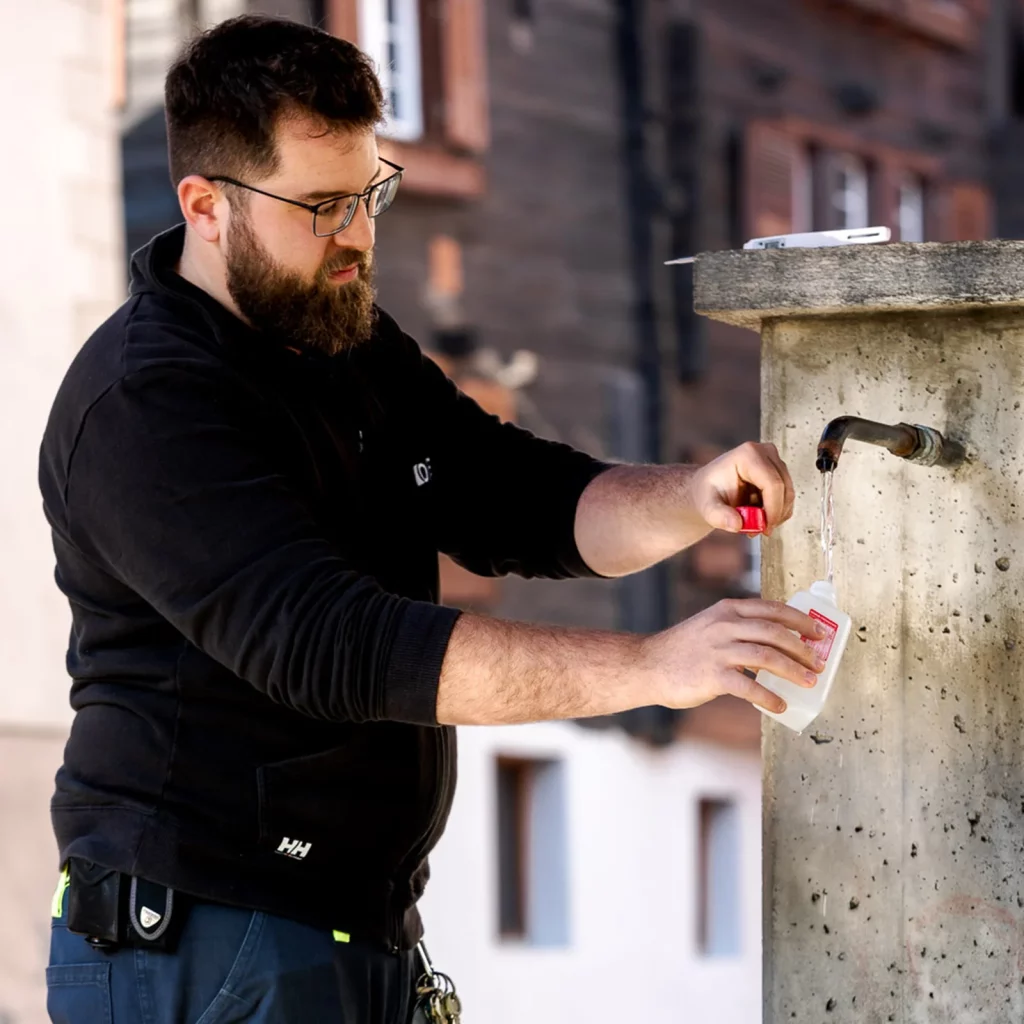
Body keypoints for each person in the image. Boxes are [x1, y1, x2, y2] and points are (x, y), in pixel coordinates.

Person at [39, 15, 826, 1024]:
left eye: (369, 193)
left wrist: (688, 497)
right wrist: (654, 668)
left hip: (347, 928)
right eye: (319, 206)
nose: (358, 234)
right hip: (196, 938)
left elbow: (516, 495)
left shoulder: (344, 341)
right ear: (206, 206)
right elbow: (332, 647)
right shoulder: (145, 402)